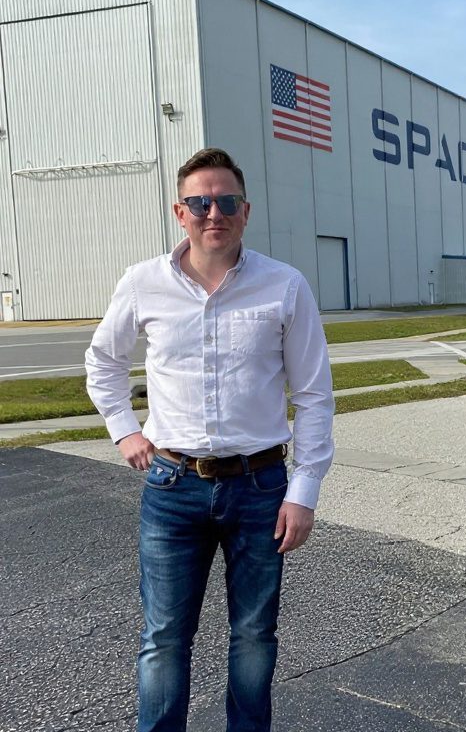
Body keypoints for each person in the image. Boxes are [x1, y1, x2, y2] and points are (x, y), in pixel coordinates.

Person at [85, 147, 334, 731]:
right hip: (172, 488)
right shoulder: (143, 283)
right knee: (164, 638)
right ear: (180, 211)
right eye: (199, 202)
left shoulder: (285, 286)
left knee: (253, 635)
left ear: (245, 211)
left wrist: (304, 491)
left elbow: (315, 395)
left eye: (225, 201)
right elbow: (103, 363)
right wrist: (125, 430)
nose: (212, 212)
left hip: (260, 489)